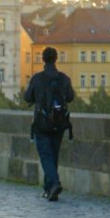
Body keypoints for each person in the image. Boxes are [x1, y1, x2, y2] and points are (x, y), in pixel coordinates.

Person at [23, 47, 75, 202]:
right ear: (56, 59)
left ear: (43, 60)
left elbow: (27, 97)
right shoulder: (64, 78)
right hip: (59, 124)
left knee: (46, 155)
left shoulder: (37, 79)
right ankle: (49, 189)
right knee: (53, 155)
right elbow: (71, 97)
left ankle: (54, 183)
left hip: (42, 124)